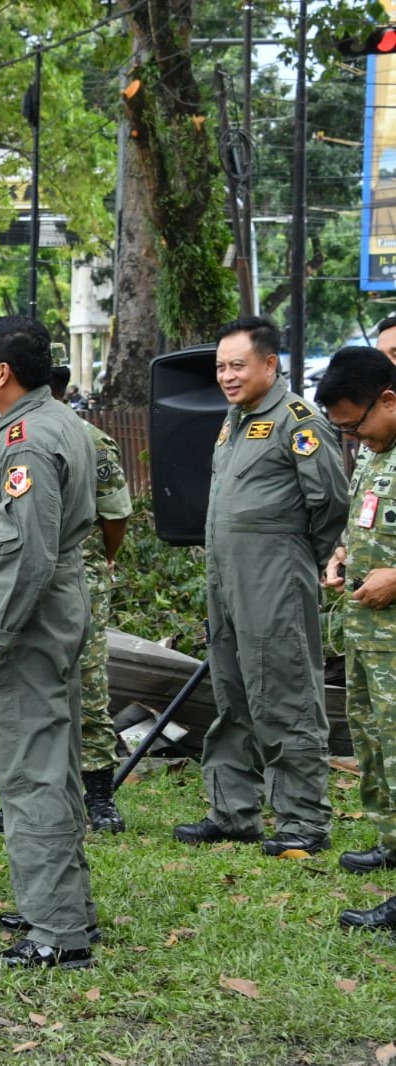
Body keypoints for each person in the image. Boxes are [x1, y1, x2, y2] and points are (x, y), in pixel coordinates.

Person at [0, 315, 98, 971]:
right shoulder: (51, 420)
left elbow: (27, 557)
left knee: (31, 769)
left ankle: (57, 934)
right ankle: (61, 905)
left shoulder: (29, 441)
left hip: (27, 625)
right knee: (54, 763)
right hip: (50, 615)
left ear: (1, 372)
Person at [174, 316, 346, 856]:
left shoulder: (298, 421)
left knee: (285, 696)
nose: (226, 375)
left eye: (237, 365)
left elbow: (331, 504)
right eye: (221, 366)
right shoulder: (235, 419)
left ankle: (302, 820)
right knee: (232, 694)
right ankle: (234, 811)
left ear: (269, 364)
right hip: (227, 578)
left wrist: (295, 559)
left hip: (274, 576)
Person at [0, 366, 133, 835]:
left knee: (86, 687)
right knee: (26, 689)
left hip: (76, 580)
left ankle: (99, 794)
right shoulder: (0, 435)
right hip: (19, 579)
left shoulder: (90, 439)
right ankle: (29, 795)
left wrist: (97, 562)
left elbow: (115, 516)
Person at [316, 349, 396, 929]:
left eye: (355, 424)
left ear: (388, 400)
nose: (352, 437)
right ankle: (391, 842)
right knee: (374, 749)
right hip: (369, 638)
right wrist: (344, 554)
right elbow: (363, 521)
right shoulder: (375, 453)